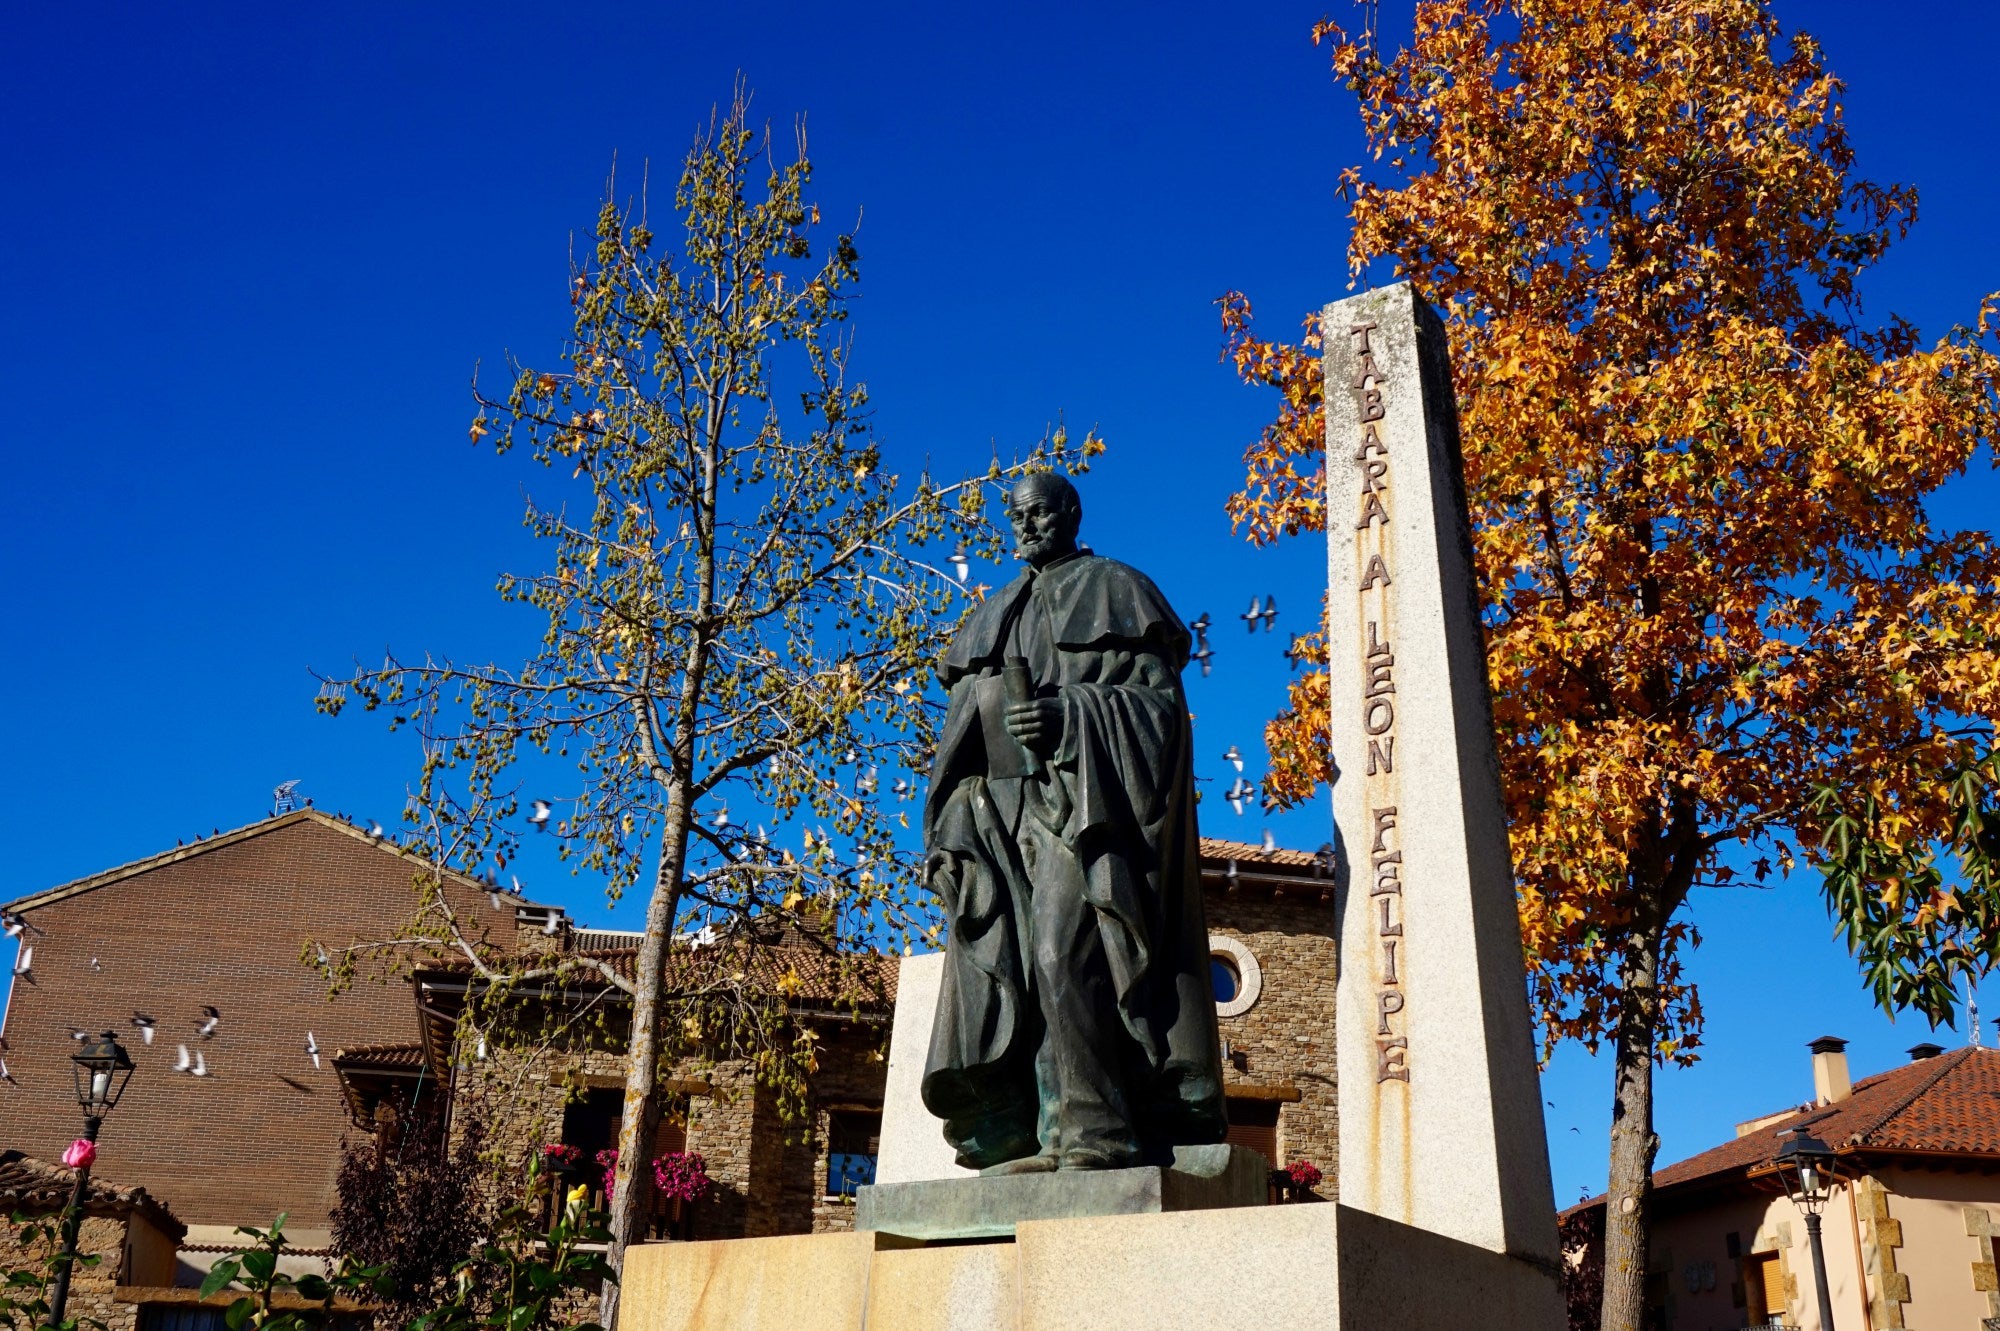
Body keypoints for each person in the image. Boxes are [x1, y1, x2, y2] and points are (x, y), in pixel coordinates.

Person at [920, 472, 1226, 1172]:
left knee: (1064, 954)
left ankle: (1099, 1131)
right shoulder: (993, 612)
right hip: (996, 816)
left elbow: (1159, 715)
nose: (1028, 526)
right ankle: (1047, 1131)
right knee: (1020, 972)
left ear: (1071, 512)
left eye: (1041, 512)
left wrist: (1071, 716)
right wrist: (951, 820)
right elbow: (960, 733)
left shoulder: (1118, 589)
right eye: (1017, 515)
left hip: (1082, 807)